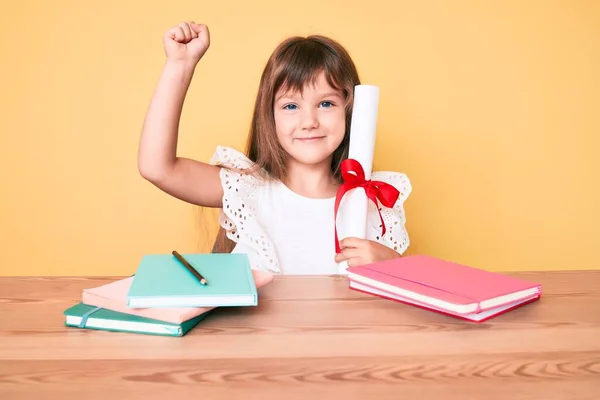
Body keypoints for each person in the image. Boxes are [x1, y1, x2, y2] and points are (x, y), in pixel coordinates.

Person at [138, 21, 412, 275]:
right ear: (270, 116)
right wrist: (180, 64)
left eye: (326, 103)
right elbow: (157, 167)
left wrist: (395, 268)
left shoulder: (375, 204)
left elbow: (395, 312)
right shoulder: (246, 190)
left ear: (349, 110)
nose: (309, 122)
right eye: (291, 106)